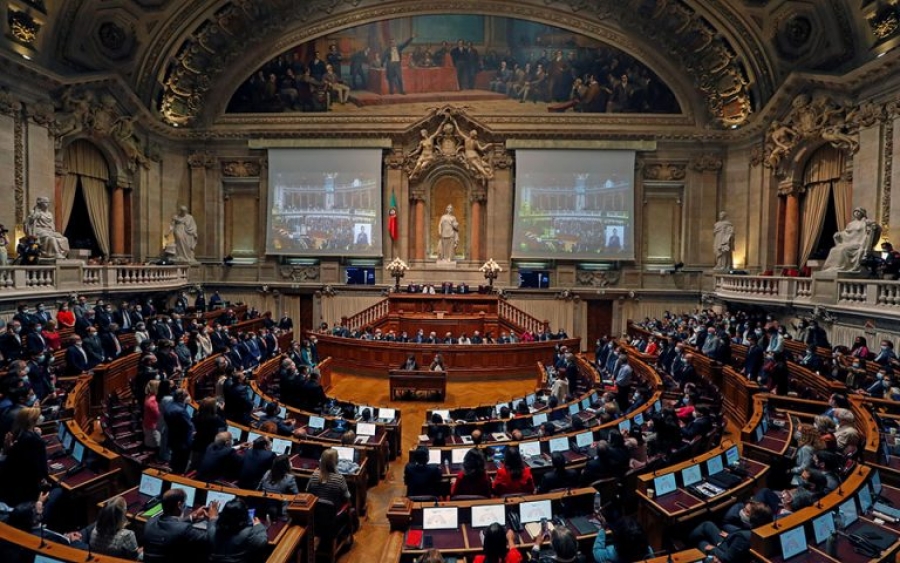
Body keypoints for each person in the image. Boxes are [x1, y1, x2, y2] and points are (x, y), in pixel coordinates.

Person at [142, 488, 209, 563]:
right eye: (184, 503)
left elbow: (171, 526)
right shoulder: (184, 529)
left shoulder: (150, 522)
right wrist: (213, 518)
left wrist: (191, 517)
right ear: (179, 505)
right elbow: (210, 538)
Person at [0, 407, 47, 507]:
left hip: (12, 482)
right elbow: (42, 470)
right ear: (33, 421)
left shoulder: (18, 434)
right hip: (25, 489)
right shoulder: (36, 441)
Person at [207, 498, 269, 563]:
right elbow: (262, 542)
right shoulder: (247, 533)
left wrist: (213, 517)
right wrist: (258, 525)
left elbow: (212, 522)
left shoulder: (213, 531)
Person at [823, 207, 875, 272]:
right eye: (855, 211)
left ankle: (840, 267)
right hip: (849, 242)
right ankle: (831, 267)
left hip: (858, 243)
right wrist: (839, 234)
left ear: (862, 213)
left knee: (843, 250)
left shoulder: (865, 222)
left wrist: (871, 225)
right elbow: (846, 233)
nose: (857, 213)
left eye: (859, 212)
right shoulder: (851, 224)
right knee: (833, 250)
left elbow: (875, 226)